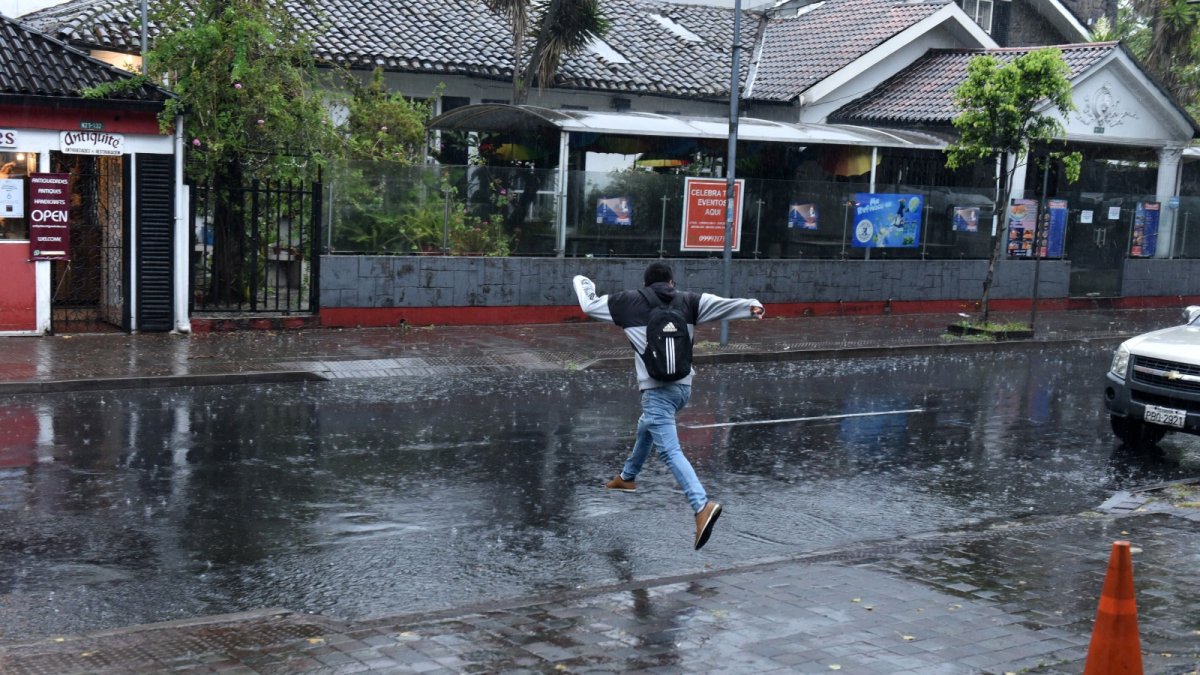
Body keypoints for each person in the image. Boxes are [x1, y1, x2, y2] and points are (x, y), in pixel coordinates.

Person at [573, 262, 765, 550]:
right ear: (672, 282)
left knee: (670, 450)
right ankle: (627, 477)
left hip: (656, 391)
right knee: (646, 425)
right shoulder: (689, 301)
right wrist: (751, 306)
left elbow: (589, 305)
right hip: (682, 389)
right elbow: (722, 304)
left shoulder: (627, 302)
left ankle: (701, 506)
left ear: (645, 283)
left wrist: (582, 279)